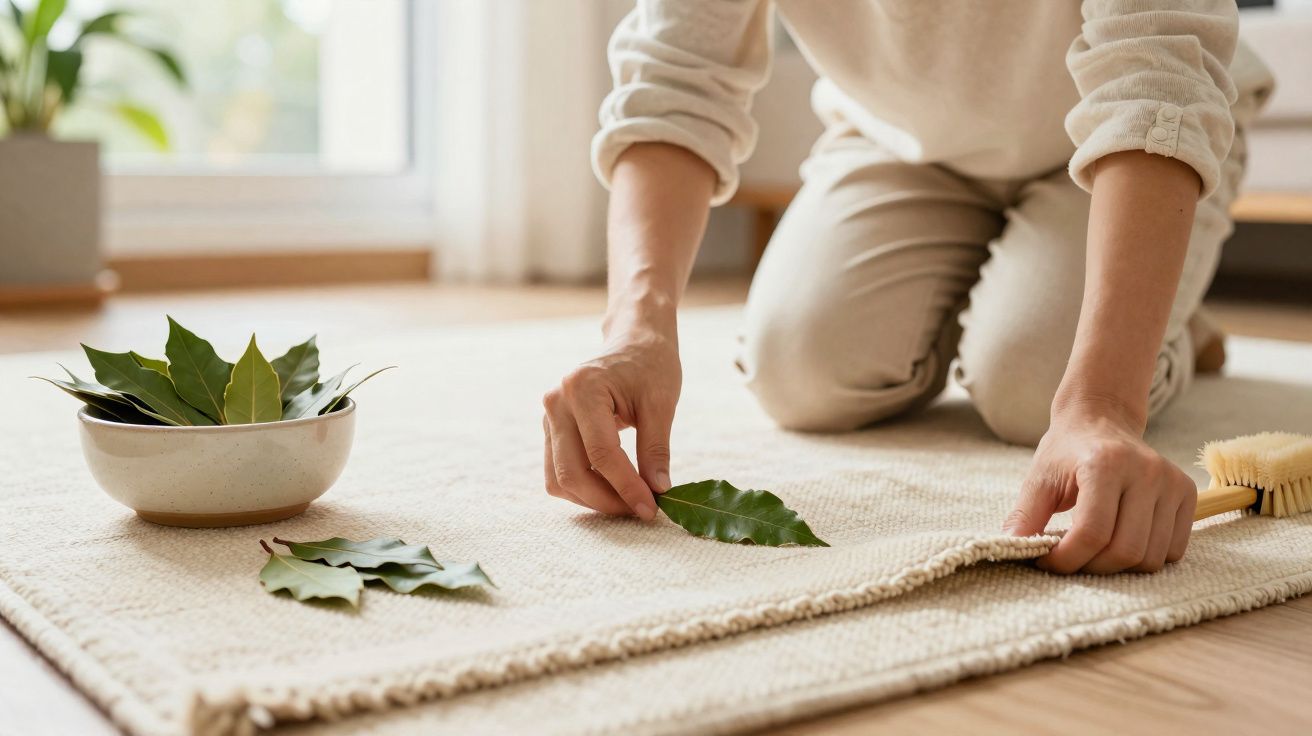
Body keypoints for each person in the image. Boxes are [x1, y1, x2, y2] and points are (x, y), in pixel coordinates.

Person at [541, 1, 1274, 575]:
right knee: (800, 369)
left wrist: (1107, 403)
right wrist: (636, 329)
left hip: (1128, 138)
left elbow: (1155, 78)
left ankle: (1160, 309)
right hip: (903, 141)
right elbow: (675, 73)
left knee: (1032, 385)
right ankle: (1058, 289)